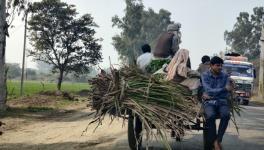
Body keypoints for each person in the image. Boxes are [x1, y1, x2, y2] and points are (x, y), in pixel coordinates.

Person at [201, 56, 232, 150]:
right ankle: (214, 141)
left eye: (221, 65)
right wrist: (223, 89)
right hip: (209, 102)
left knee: (226, 115)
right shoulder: (205, 75)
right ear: (211, 65)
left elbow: (227, 91)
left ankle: (217, 140)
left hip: (222, 101)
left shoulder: (225, 76)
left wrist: (216, 92)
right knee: (210, 116)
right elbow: (208, 90)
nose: (220, 67)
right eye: (218, 65)